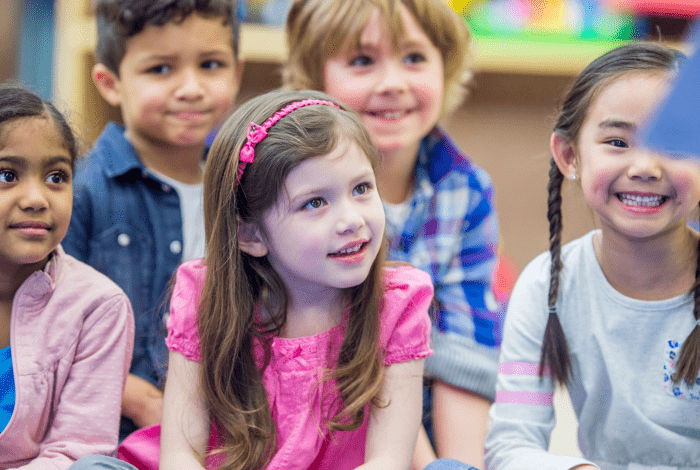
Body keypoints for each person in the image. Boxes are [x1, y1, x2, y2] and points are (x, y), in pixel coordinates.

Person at [284, 1, 501, 467]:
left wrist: (457, 466)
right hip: (305, 413)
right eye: (362, 61)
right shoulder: (294, 191)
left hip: (417, 419)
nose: (393, 83)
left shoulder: (464, 189)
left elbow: (466, 345)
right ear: (314, 79)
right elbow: (342, 346)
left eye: (414, 58)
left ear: (447, 68)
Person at [484, 42, 700, 469]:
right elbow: (510, 447)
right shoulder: (548, 285)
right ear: (569, 156)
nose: (646, 167)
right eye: (617, 141)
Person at [61, 0, 242, 441]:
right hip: (109, 433)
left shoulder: (245, 191)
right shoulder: (79, 191)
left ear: (236, 72)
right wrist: (139, 399)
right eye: (161, 69)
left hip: (225, 427)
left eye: (211, 64)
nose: (190, 88)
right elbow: (47, 328)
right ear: (110, 83)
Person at [0, 84, 134, 468]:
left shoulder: (98, 305)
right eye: (7, 174)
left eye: (57, 177)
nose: (37, 198)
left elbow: (77, 448)